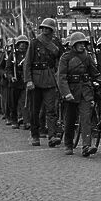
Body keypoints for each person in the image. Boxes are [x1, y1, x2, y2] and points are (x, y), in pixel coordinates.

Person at [57, 31, 101, 157]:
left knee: (86, 119)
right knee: (70, 119)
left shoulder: (87, 57)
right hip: (71, 91)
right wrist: (66, 93)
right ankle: (68, 144)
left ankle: (86, 146)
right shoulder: (65, 57)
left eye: (84, 43)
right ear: (73, 45)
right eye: (79, 43)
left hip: (85, 91)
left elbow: (95, 73)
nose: (82, 46)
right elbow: (61, 77)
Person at [24, 18, 63, 147]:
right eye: (44, 28)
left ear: (52, 30)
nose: (46, 31)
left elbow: (62, 60)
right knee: (34, 110)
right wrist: (28, 80)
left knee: (51, 109)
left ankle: (52, 136)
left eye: (48, 28)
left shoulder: (56, 43)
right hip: (35, 80)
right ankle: (35, 135)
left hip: (50, 79)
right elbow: (27, 63)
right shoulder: (35, 43)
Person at [10, 34, 30, 131]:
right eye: (21, 44)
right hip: (16, 81)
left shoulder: (29, 55)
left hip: (25, 80)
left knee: (24, 102)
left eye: (24, 44)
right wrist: (11, 76)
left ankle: (26, 121)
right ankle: (14, 120)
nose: (22, 45)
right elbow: (8, 68)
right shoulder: (13, 55)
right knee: (14, 102)